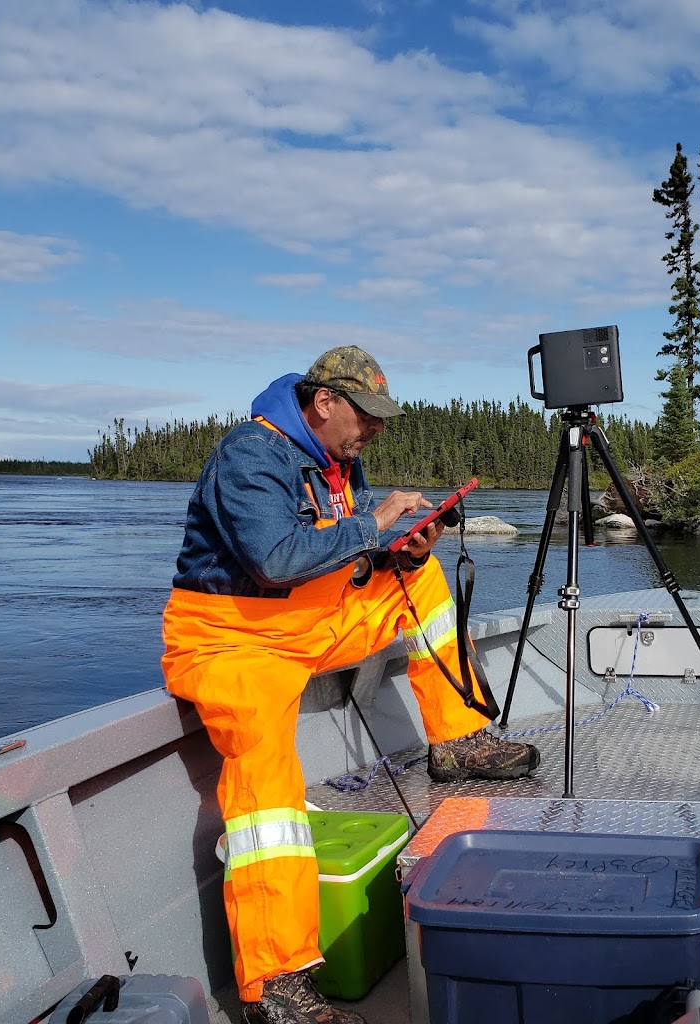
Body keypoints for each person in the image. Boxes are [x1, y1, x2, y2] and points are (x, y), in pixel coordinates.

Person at [161, 346, 540, 1024]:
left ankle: (455, 742)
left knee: (420, 583)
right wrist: (376, 522)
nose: (374, 431)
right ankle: (274, 984)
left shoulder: (337, 458)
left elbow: (342, 545)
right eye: (366, 417)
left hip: (306, 622)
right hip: (229, 638)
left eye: (381, 421)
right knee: (266, 781)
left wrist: (406, 545)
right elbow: (274, 558)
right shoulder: (252, 454)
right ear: (323, 401)